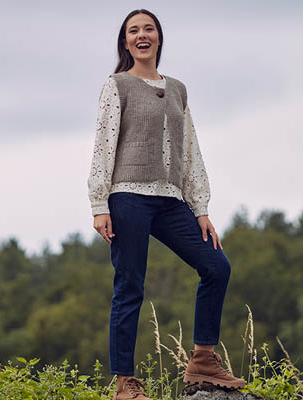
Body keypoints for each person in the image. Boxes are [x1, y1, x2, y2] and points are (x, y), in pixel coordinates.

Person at [87, 9, 246, 400]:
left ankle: (203, 360)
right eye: (133, 31)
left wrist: (201, 207)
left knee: (216, 266)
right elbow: (104, 144)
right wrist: (98, 203)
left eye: (149, 29)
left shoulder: (177, 88)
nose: (142, 35)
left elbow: (189, 148)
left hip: (171, 200)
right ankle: (125, 383)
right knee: (130, 286)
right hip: (127, 195)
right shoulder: (117, 85)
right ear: (126, 43)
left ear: (159, 38)